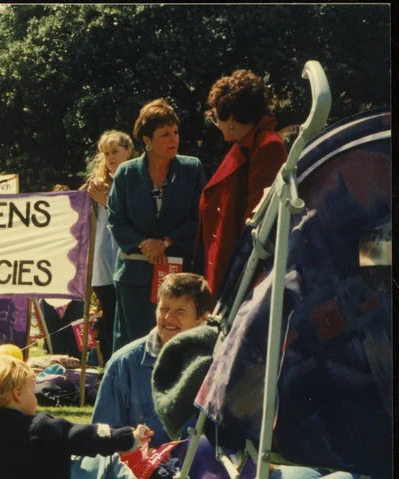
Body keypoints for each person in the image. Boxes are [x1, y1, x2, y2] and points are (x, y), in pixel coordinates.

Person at [0, 355, 153, 479]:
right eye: (32, 390)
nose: (35, 396)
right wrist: (129, 437)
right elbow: (86, 437)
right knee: (108, 459)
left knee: (77, 467)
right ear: (17, 394)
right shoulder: (39, 427)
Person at [107, 99, 206, 351]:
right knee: (134, 345)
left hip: (177, 276)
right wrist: (147, 246)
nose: (173, 139)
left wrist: (165, 242)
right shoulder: (126, 174)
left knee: (173, 343)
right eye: (164, 134)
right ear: (147, 140)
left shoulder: (191, 169)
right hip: (135, 276)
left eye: (175, 132)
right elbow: (116, 221)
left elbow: (199, 218)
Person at [92, 272, 213, 443]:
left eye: (180, 311)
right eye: (164, 309)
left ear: (202, 318)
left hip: (201, 467)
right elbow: (103, 436)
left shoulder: (217, 362)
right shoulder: (124, 363)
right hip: (142, 467)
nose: (169, 318)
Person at [197, 69, 288, 295]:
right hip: (228, 260)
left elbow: (257, 221)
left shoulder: (267, 146)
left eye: (215, 115)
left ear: (231, 118)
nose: (215, 122)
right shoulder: (248, 143)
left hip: (242, 272)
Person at [84, 130, 135, 362]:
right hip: (103, 266)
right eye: (106, 153)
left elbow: (135, 219)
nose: (110, 158)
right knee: (108, 319)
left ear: (129, 152)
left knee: (125, 322)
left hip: (126, 263)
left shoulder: (136, 180)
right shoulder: (99, 184)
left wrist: (107, 203)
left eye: (115, 151)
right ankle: (108, 369)